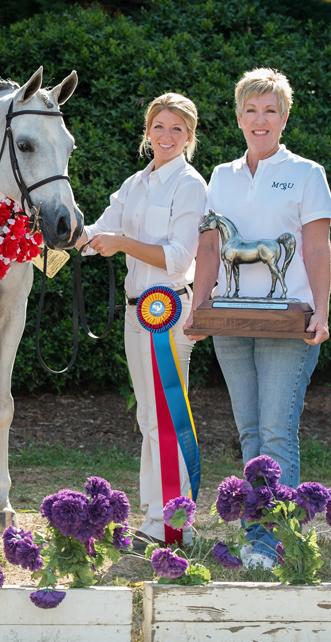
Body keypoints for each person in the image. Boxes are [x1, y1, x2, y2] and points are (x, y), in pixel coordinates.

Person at [185, 67, 331, 569]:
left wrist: (323, 310)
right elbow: (209, 246)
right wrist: (198, 306)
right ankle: (257, 535)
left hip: (286, 327)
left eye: (270, 110)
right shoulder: (221, 176)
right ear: (238, 116)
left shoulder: (307, 173)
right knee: (250, 432)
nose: (260, 119)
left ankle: (274, 542)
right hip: (230, 324)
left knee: (275, 432)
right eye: (251, 109)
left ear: (285, 117)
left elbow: (316, 246)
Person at [76, 93, 207, 548]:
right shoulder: (135, 183)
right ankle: (157, 518)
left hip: (168, 311)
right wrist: (57, 231)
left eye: (176, 129)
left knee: (168, 417)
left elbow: (177, 258)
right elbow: (97, 233)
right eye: (159, 127)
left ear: (189, 136)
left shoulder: (191, 185)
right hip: (138, 313)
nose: (166, 136)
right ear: (147, 131)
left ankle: (176, 525)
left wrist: (122, 243)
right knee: (150, 420)